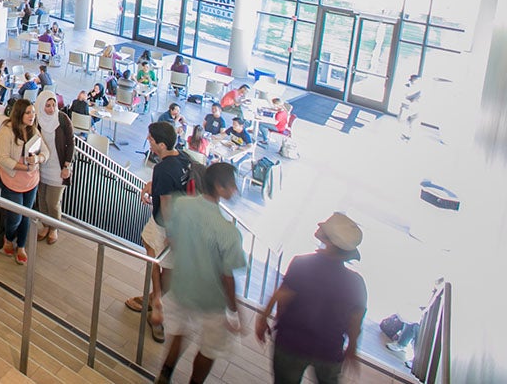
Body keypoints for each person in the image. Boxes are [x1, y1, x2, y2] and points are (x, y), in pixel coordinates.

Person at [155, 162, 247, 384]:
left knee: (179, 332)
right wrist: (234, 311)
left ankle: (165, 375)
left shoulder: (182, 205)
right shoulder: (228, 232)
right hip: (211, 298)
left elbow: (171, 236)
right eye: (231, 185)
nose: (234, 189)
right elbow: (227, 276)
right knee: (209, 347)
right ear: (219, 187)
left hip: (182, 285)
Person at [256, 213, 367, 384]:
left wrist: (264, 317)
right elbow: (355, 321)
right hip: (329, 350)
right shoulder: (356, 283)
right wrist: (352, 348)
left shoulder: (302, 264)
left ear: (328, 241)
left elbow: (282, 297)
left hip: (291, 343)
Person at [125, 121, 189, 343]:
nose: (149, 143)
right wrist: (150, 186)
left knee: (151, 254)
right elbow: (174, 186)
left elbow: (167, 202)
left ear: (161, 144)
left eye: (152, 140)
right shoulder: (183, 159)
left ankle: (155, 301)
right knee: (168, 265)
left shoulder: (162, 168)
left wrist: (172, 232)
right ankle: (155, 298)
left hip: (166, 224)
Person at [0, 99, 46, 264]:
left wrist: (38, 159)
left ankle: (21, 246)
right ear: (19, 114)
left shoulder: (34, 131)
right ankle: (9, 238)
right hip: (12, 182)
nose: (32, 116)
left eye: (33, 112)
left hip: (31, 182)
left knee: (27, 215)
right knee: (15, 218)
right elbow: (2, 158)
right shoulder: (6, 131)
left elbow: (45, 152)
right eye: (28, 113)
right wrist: (25, 168)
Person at [34, 90, 73, 244]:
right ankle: (45, 225)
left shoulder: (62, 119)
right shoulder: (37, 121)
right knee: (42, 200)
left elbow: (70, 143)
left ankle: (54, 228)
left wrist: (67, 166)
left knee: (53, 202)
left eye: (53, 105)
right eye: (47, 105)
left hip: (58, 167)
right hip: (42, 166)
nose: (51, 109)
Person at [399, 74, 421, 140]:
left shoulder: (419, 89)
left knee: (410, 121)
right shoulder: (409, 86)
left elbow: (408, 97)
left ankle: (408, 136)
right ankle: (406, 135)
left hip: (414, 107)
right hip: (410, 107)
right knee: (407, 121)